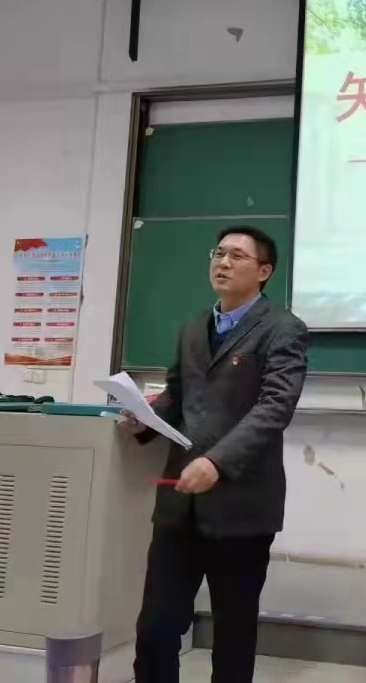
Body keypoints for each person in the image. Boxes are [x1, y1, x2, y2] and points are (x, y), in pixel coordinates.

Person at [121, 225, 308, 683]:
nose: (223, 262)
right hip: (179, 503)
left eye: (237, 256)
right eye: (219, 253)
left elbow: (274, 407)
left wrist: (217, 462)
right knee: (156, 628)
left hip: (242, 507)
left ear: (264, 271)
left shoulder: (283, 329)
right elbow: (177, 395)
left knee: (233, 633)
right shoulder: (192, 328)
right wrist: (144, 417)